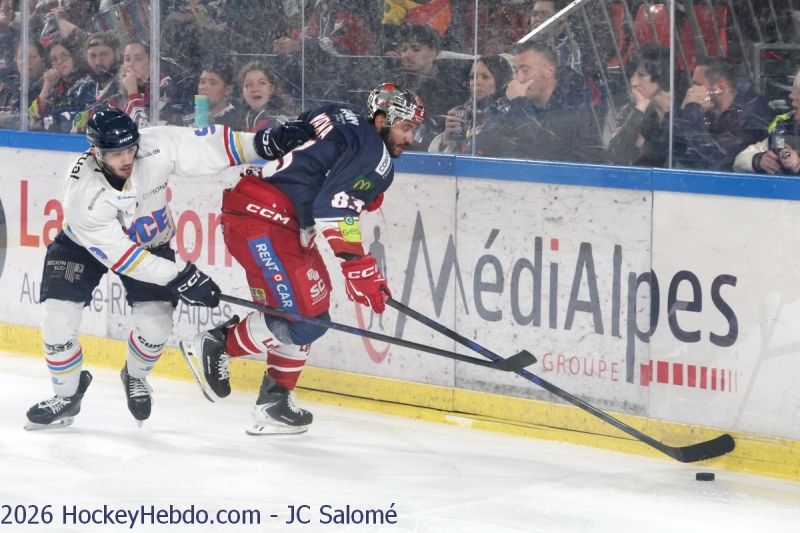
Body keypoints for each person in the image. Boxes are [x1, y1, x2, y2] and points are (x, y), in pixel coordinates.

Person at [24, 107, 316, 430]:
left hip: (150, 244)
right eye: (116, 153)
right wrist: (180, 276)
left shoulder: (155, 145)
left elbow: (208, 146)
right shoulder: (82, 194)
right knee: (58, 317)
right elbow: (124, 257)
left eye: (130, 148)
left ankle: (135, 376)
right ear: (96, 152)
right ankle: (66, 396)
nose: (126, 158)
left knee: (156, 328)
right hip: (82, 245)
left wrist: (262, 143)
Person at [179, 83, 426, 436]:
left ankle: (274, 400)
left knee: (314, 310)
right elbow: (334, 211)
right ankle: (218, 344)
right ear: (381, 120)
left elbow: (295, 137)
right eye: (406, 128)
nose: (411, 138)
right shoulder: (376, 156)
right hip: (266, 223)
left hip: (267, 217)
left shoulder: (339, 112)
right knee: (306, 321)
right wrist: (357, 266)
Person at [473, 39, 602, 163]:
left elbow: (539, 152)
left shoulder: (573, 105)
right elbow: (481, 143)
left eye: (525, 70)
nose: (518, 78)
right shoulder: (526, 102)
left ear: (549, 70)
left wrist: (518, 102)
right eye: (516, 71)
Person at [671, 56, 770, 171]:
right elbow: (668, 151)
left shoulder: (748, 118)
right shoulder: (709, 112)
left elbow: (712, 162)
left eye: (698, 85)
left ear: (720, 87)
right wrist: (682, 112)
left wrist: (692, 110)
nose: (692, 91)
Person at [429, 55, 512, 154]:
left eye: (485, 77)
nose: (476, 82)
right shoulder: (463, 114)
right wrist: (446, 140)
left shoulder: (511, 115)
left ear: (500, 82)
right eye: (472, 77)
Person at [606, 44, 671, 167]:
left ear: (660, 75)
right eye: (633, 76)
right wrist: (640, 107)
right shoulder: (631, 111)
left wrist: (642, 145)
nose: (634, 83)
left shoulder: (680, 111)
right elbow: (614, 156)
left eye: (641, 75)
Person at [734, 70, 800, 175]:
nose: (791, 95)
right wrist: (759, 160)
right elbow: (740, 160)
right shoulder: (787, 128)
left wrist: (798, 166)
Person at [65, 31, 122, 132]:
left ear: (117, 55)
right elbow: (62, 122)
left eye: (104, 54)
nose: (98, 61)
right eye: (92, 56)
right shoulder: (80, 88)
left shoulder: (125, 86)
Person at [116, 40, 181, 127]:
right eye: (127, 59)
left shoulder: (166, 88)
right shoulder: (120, 90)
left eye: (138, 58)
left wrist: (132, 92)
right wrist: (123, 91)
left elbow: (143, 129)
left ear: (151, 64)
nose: (131, 64)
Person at [29, 37, 85, 132]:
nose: (59, 62)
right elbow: (30, 119)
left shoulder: (87, 84)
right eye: (54, 59)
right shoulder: (51, 87)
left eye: (64, 56)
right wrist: (47, 87)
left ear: (74, 57)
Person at [236, 61, 297, 132]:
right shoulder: (238, 121)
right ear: (242, 91)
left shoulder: (280, 124)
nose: (255, 89)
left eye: (262, 83)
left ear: (272, 88)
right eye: (249, 84)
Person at [0, 39, 46, 129]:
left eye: (32, 57)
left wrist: (8, 119)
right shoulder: (8, 90)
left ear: (43, 62)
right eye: (21, 57)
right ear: (16, 61)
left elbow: (32, 122)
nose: (26, 61)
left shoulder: (46, 88)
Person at [183, 62, 239, 128]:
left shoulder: (238, 122)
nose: (203, 87)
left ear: (227, 90)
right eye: (202, 82)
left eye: (212, 83)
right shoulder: (186, 121)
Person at [528, 0, 580, 70]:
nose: (536, 18)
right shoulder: (527, 46)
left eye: (545, 15)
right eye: (534, 14)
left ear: (561, 23)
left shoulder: (568, 48)